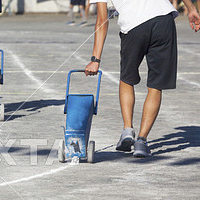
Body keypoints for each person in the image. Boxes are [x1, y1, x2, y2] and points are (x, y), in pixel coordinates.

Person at [85, 0, 200, 157]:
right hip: (163, 18)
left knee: (127, 78)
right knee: (155, 85)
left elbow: (101, 20)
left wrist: (95, 59)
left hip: (134, 25)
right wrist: (191, 8)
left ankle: (127, 130)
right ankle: (142, 141)